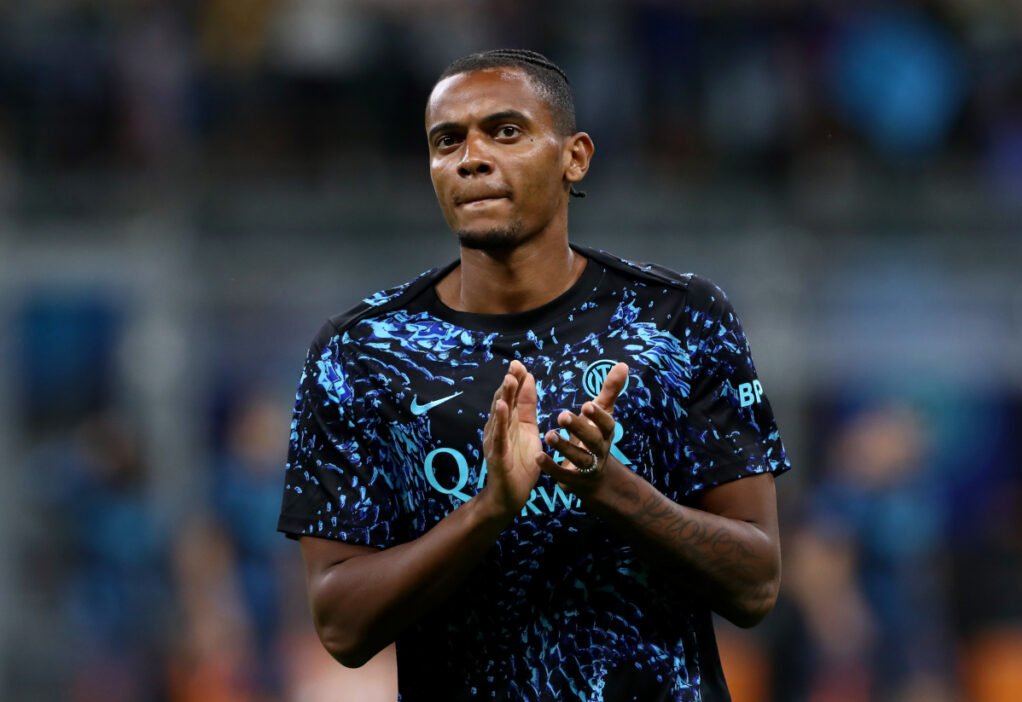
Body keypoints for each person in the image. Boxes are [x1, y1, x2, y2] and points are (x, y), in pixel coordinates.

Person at [277, 49, 790, 701]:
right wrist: (487, 511)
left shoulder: (678, 319)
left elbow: (756, 586)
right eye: (447, 141)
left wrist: (611, 488)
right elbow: (341, 628)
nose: (471, 157)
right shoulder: (361, 354)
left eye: (505, 131)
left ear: (575, 157)